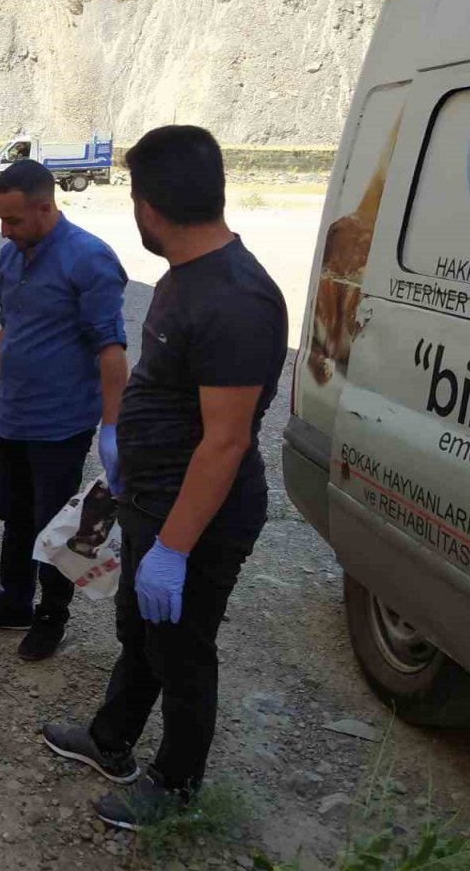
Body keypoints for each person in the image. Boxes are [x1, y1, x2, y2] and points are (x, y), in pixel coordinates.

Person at [41, 126, 288, 829]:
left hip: (201, 515)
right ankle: (110, 740)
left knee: (182, 650)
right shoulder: (186, 276)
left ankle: (176, 786)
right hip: (152, 500)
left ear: (148, 207)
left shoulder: (238, 300)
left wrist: (175, 549)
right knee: (140, 630)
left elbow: (227, 442)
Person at [0, 159, 129, 661]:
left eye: (13, 220)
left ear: (45, 206)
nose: (4, 230)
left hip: (60, 426)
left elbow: (111, 350)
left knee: (54, 528)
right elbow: (10, 328)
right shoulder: (12, 257)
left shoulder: (89, 260)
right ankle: (13, 603)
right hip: (12, 419)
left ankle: (52, 616)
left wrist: (112, 426)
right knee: (13, 515)